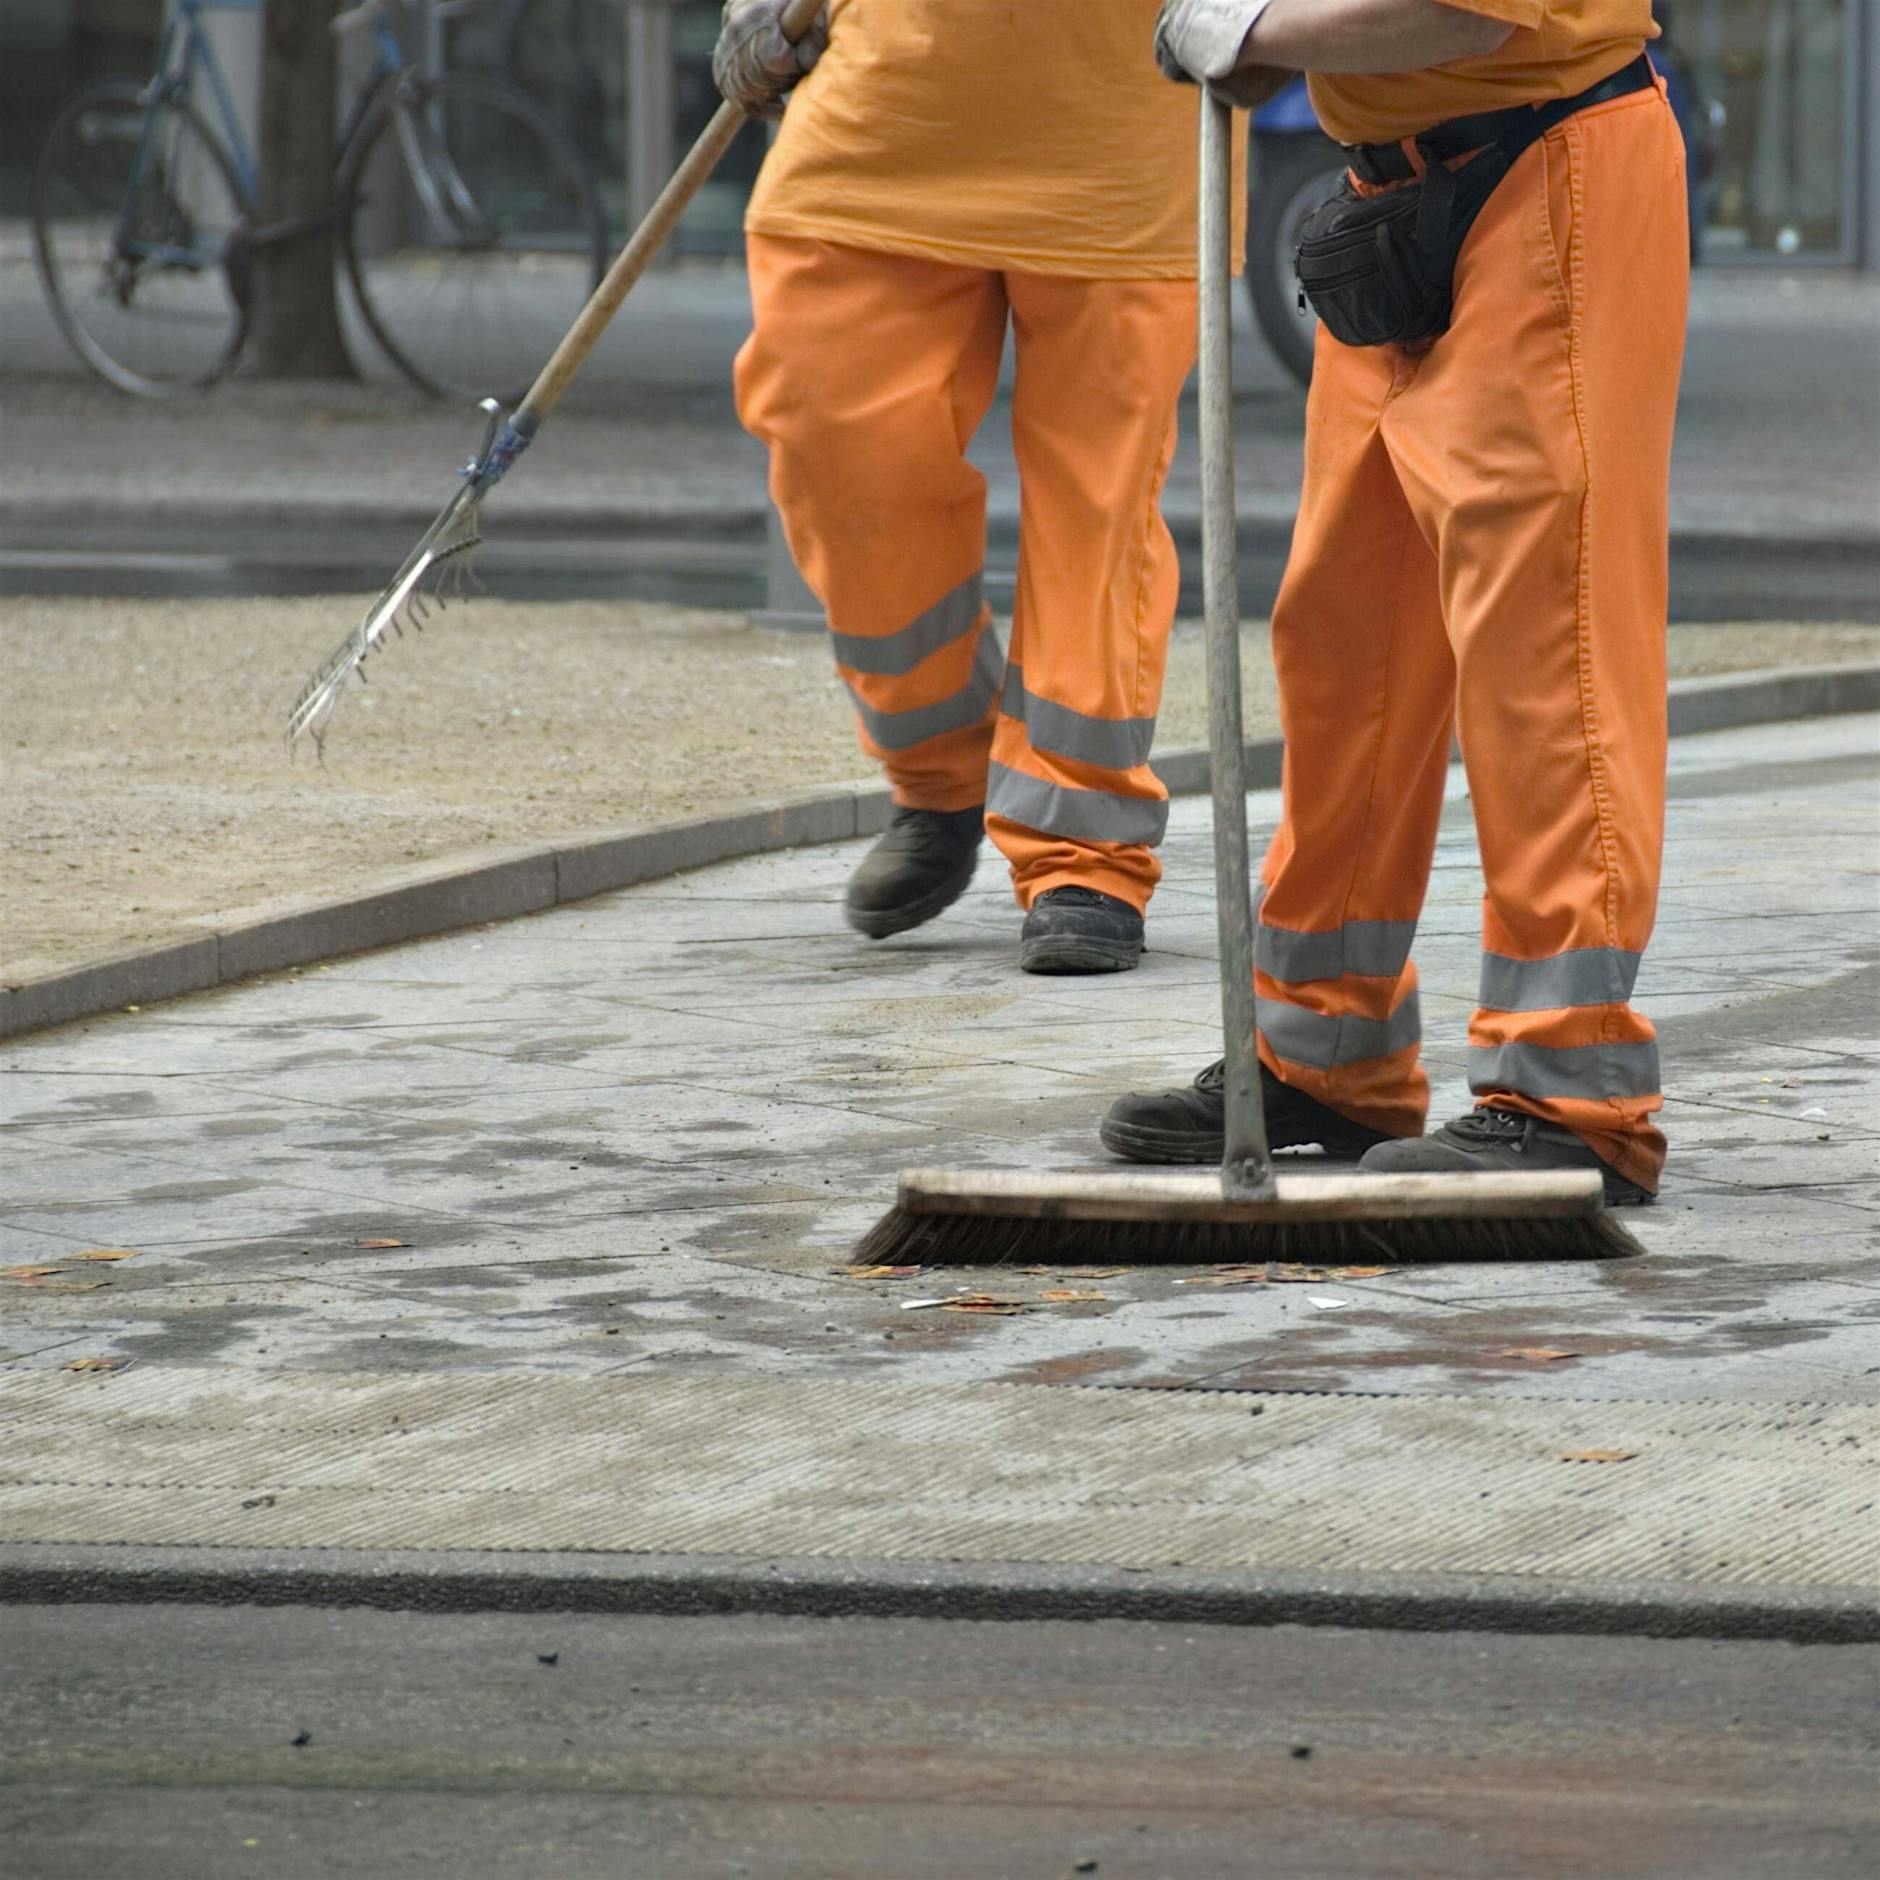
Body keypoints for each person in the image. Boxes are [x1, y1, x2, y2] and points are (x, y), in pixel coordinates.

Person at [1102, 0, 1688, 1201]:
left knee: (1544, 640)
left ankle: (1568, 1088)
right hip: (1396, 191)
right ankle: (1324, 1051)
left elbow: (1458, 12)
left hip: (1544, 155)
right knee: (1345, 639)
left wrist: (1256, 28)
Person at [716, 2, 1242, 974]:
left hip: (1127, 116)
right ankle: (939, 770)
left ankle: (1082, 846)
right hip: (890, 107)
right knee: (829, 434)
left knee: (1098, 504)